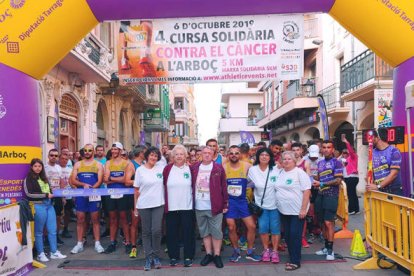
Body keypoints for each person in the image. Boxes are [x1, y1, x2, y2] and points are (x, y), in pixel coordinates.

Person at [191, 145, 228, 268]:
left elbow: (224, 186)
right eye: (204, 152)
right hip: (199, 205)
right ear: (201, 154)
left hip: (215, 205)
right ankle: (209, 254)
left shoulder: (218, 168)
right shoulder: (194, 168)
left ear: (213, 154)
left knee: (216, 232)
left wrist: (225, 203)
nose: (207, 154)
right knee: (204, 231)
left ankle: (217, 255)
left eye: (209, 153)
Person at [24, 158, 67, 262]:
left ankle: (54, 252)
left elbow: (49, 189)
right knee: (39, 232)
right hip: (39, 206)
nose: (38, 168)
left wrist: (52, 194)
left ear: (42, 167)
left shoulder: (44, 177)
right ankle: (40, 253)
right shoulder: (28, 179)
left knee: (52, 230)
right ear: (32, 167)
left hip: (49, 205)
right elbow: (29, 194)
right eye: (35, 166)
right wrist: (46, 195)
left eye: (39, 166)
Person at [275, 151, 311, 271]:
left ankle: (296, 261)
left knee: (295, 236)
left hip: (297, 211)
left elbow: (307, 191)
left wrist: (303, 209)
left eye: (289, 159)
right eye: (284, 159)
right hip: (284, 211)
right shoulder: (280, 172)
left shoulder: (299, 173)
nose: (286, 161)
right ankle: (293, 256)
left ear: (294, 161)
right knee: (288, 236)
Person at [224, 145, 261, 262]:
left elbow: (256, 180)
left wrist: (248, 187)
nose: (234, 155)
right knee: (231, 227)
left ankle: (250, 251)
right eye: (231, 153)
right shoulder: (223, 167)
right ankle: (236, 251)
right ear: (228, 155)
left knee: (251, 226)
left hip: (243, 201)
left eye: (236, 153)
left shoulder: (247, 166)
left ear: (240, 154)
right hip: (230, 202)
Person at [163, 145, 195, 267]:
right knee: (171, 233)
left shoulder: (191, 169)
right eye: (176, 154)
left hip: (187, 206)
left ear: (185, 156)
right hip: (171, 207)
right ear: (173, 156)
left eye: (181, 154)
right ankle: (173, 256)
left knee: (188, 232)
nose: (179, 156)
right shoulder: (167, 169)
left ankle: (188, 256)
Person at [247, 147, 282, 263]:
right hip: (261, 206)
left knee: (276, 230)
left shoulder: (276, 169)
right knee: (263, 229)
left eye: (267, 155)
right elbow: (248, 185)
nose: (264, 157)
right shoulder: (253, 170)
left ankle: (275, 251)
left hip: (276, 205)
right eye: (261, 155)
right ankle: (266, 250)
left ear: (270, 157)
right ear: (258, 157)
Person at [134, 147, 165, 271]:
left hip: (158, 204)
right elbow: (136, 191)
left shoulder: (161, 169)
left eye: (156, 156)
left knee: (156, 231)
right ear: (147, 156)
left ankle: (156, 256)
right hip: (144, 205)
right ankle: (148, 257)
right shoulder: (140, 171)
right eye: (152, 155)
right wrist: (135, 207)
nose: (153, 158)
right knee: (146, 232)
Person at [70, 144, 105, 254]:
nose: (87, 152)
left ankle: (97, 243)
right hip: (81, 194)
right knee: (80, 219)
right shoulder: (77, 164)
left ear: (93, 151)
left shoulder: (98, 165)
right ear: (83, 152)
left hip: (94, 194)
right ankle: (79, 243)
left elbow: (100, 181)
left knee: (95, 219)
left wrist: (90, 190)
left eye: (90, 150)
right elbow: (73, 180)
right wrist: (83, 184)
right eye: (85, 150)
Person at [313, 140, 343, 261]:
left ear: (333, 149)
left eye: (328, 147)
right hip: (320, 195)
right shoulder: (320, 163)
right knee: (321, 223)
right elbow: (318, 178)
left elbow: (338, 181)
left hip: (331, 195)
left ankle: (330, 250)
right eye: (324, 147)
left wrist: (321, 183)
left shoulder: (337, 162)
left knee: (328, 222)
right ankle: (326, 247)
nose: (326, 149)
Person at [104, 142, 135, 254]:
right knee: (112, 218)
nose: (114, 151)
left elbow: (126, 181)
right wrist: (118, 178)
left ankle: (127, 242)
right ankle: (113, 242)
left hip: (124, 193)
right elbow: (106, 179)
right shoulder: (108, 163)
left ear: (121, 151)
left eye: (116, 149)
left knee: (124, 219)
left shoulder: (127, 163)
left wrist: (112, 178)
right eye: (112, 149)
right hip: (111, 193)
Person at [125, 145, 147, 258]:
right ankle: (133, 247)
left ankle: (145, 244)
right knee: (134, 222)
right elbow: (127, 181)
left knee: (144, 223)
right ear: (141, 153)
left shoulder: (144, 164)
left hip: (145, 196)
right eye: (145, 152)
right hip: (134, 197)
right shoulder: (131, 164)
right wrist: (141, 180)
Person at [366, 128, 403, 195]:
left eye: (371, 137)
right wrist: (370, 183)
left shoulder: (394, 151)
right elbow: (370, 172)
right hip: (379, 192)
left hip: (393, 191)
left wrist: (378, 186)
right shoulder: (372, 153)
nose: (369, 140)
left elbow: (394, 174)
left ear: (378, 137)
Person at [291, 142, 311, 248]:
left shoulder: (305, 163)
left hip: (302, 194)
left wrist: (308, 194)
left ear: (301, 151)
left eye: (297, 150)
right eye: (293, 150)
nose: (295, 152)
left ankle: (302, 238)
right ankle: (289, 238)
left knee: (302, 216)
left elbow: (308, 180)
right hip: (290, 195)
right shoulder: (288, 162)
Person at [44, 148, 65, 246]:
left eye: (56, 156)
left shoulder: (59, 168)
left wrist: (63, 196)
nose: (54, 157)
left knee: (58, 216)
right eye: (52, 155)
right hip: (47, 195)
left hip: (57, 195)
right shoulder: (44, 167)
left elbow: (61, 182)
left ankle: (56, 236)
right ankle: (46, 237)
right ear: (48, 156)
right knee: (46, 217)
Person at [341, 136, 360, 214]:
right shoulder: (349, 158)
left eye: (348, 151)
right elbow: (345, 167)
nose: (347, 153)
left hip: (351, 177)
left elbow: (351, 151)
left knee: (350, 194)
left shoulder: (353, 156)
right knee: (353, 194)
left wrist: (346, 142)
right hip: (350, 177)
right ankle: (356, 209)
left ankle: (351, 210)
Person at [60, 154, 74, 239]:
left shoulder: (71, 170)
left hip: (69, 194)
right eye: (62, 159)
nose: (64, 160)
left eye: (66, 159)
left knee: (68, 212)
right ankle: (57, 230)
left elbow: (73, 181)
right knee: (58, 214)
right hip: (58, 194)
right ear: (59, 159)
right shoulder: (57, 168)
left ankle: (65, 228)